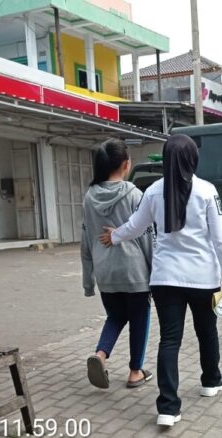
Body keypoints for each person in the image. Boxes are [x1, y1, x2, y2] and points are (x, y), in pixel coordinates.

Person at [100, 134, 222, 427]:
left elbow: (136, 226)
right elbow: (220, 239)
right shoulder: (207, 191)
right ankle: (210, 380)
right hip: (202, 278)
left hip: (165, 278)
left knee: (169, 340)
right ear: (193, 159)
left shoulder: (153, 191)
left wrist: (114, 236)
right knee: (207, 331)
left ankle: (167, 407)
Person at [81, 139, 154, 390]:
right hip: (134, 272)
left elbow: (86, 239)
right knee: (140, 320)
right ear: (125, 164)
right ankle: (135, 372)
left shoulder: (89, 197)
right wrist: (154, 272)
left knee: (115, 316)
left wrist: (88, 280)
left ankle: (100, 355)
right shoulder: (135, 194)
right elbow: (147, 235)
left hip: (105, 272)